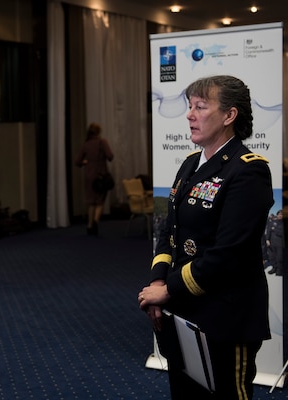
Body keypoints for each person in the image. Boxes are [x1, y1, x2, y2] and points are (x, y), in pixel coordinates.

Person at [138, 75, 273, 399]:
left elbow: (228, 254)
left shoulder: (248, 170)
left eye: (200, 106)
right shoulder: (189, 164)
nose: (189, 114)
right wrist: (158, 281)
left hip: (226, 316)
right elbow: (169, 232)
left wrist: (167, 290)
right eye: (189, 106)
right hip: (183, 310)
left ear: (229, 116)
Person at [74, 122, 114, 235]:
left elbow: (77, 161)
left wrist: (85, 162)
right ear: (98, 132)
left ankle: (89, 225)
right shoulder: (102, 142)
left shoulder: (86, 144)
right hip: (101, 175)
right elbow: (110, 156)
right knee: (100, 201)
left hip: (89, 175)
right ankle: (96, 221)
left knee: (91, 202)